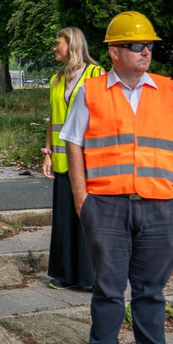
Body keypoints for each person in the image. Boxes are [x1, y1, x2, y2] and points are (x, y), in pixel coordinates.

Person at [60, 11, 173, 344]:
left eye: (149, 45)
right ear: (115, 51)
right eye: (137, 46)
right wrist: (81, 196)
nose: (146, 52)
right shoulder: (92, 91)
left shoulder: (168, 90)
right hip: (105, 205)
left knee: (151, 290)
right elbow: (74, 142)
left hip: (159, 206)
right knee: (107, 287)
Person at [43, 27, 107, 290]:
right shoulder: (56, 79)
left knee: (89, 218)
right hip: (62, 160)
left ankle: (91, 277)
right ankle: (65, 275)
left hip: (89, 160)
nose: (55, 48)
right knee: (64, 219)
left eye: (58, 43)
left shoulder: (96, 74)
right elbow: (52, 118)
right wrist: (47, 152)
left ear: (71, 44)